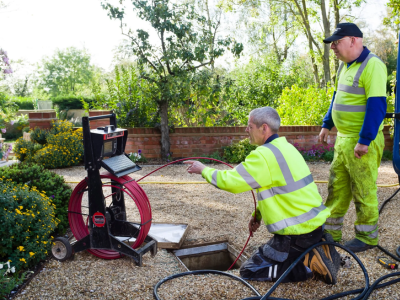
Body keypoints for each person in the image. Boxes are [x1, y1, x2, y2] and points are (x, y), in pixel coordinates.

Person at [184, 107, 341, 284]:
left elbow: (231, 182)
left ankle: (307, 265)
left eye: (249, 126)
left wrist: (203, 169)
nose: (246, 130)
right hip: (313, 227)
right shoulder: (286, 148)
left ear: (263, 128)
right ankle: (316, 246)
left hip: (297, 235)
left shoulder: (264, 156)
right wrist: (257, 215)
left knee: (250, 271)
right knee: (264, 258)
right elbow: (280, 192)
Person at [319, 23, 387, 253]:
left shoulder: (373, 65)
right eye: (332, 44)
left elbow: (376, 106)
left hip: (361, 141)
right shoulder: (344, 67)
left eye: (336, 43)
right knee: (336, 187)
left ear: (353, 40)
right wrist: (327, 124)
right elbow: (337, 98)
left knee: (363, 189)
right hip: (344, 139)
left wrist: (365, 140)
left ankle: (367, 238)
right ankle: (330, 232)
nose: (333, 48)